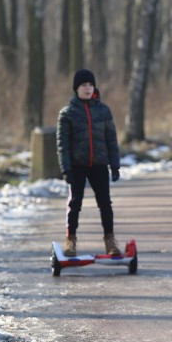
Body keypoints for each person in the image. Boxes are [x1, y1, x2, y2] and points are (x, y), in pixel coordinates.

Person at [56, 69, 122, 257]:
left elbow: (111, 139)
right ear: (76, 88)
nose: (87, 89)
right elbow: (63, 144)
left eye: (90, 85)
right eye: (83, 85)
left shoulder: (103, 111)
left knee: (105, 204)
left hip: (99, 164)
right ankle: (71, 240)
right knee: (75, 203)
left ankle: (110, 241)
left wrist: (115, 165)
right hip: (77, 165)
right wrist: (66, 168)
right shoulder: (67, 114)